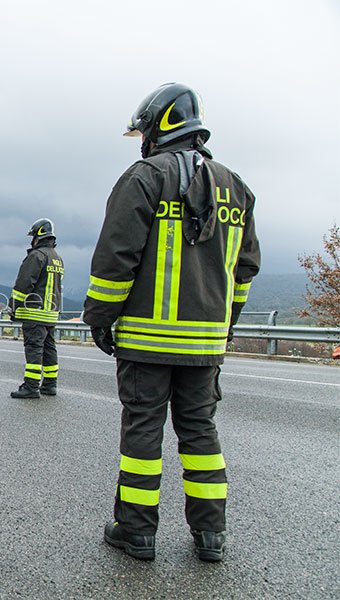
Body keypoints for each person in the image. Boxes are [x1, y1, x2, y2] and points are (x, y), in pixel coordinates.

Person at [83, 83, 260, 562]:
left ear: (159, 127)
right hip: (205, 346)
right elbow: (243, 273)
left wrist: (99, 319)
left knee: (143, 433)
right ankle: (211, 535)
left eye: (143, 131)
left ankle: (136, 532)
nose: (141, 140)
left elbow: (117, 259)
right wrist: (224, 326)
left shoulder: (144, 177)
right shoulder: (236, 187)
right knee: (200, 432)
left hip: (146, 341)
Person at [8, 218, 64, 398]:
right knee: (49, 348)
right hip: (51, 314)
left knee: (34, 349)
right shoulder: (57, 258)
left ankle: (31, 387)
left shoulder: (36, 256)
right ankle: (50, 385)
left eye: (33, 237)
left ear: (39, 236)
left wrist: (14, 307)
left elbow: (24, 285)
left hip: (34, 313)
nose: (31, 241)